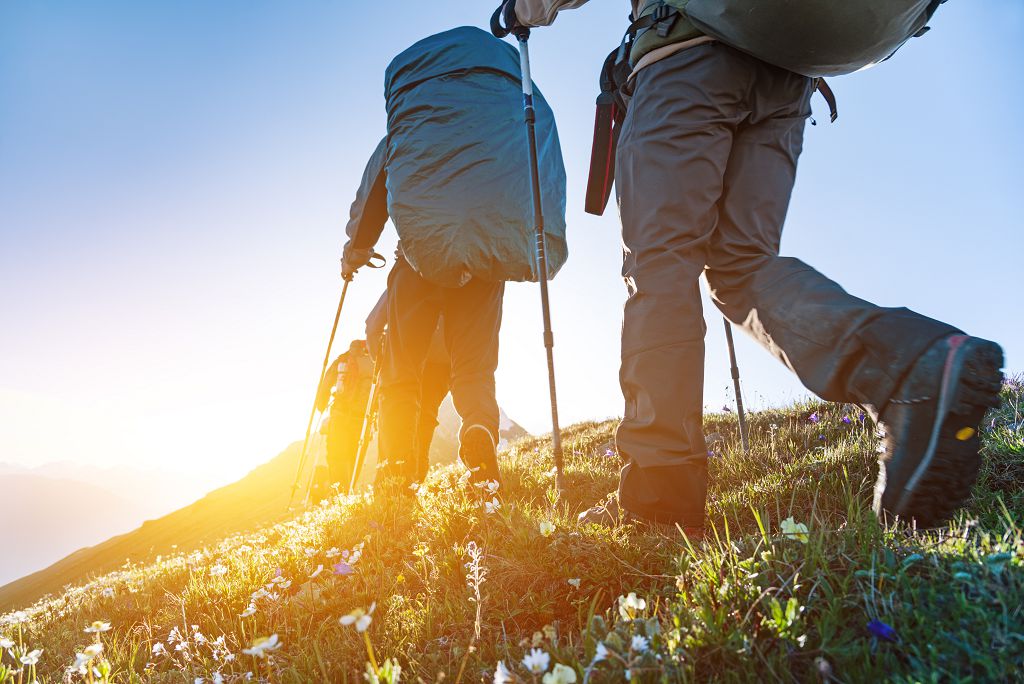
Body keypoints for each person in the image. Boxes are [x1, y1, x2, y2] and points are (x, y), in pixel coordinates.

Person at [498, 0, 1004, 532]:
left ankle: (659, 495)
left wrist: (524, 10)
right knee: (739, 268)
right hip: (789, 69)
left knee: (660, 267)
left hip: (685, 58)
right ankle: (910, 367)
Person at [340, 26, 568, 490]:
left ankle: (397, 469)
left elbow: (375, 194)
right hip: (485, 261)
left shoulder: (410, 127)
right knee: (475, 368)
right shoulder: (504, 122)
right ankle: (480, 433)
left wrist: (355, 250)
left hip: (417, 262)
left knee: (402, 370)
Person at [314, 339, 374, 492]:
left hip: (340, 413)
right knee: (355, 455)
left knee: (336, 455)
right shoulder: (375, 360)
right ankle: (348, 490)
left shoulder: (344, 359)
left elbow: (326, 382)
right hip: (363, 418)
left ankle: (339, 493)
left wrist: (321, 405)